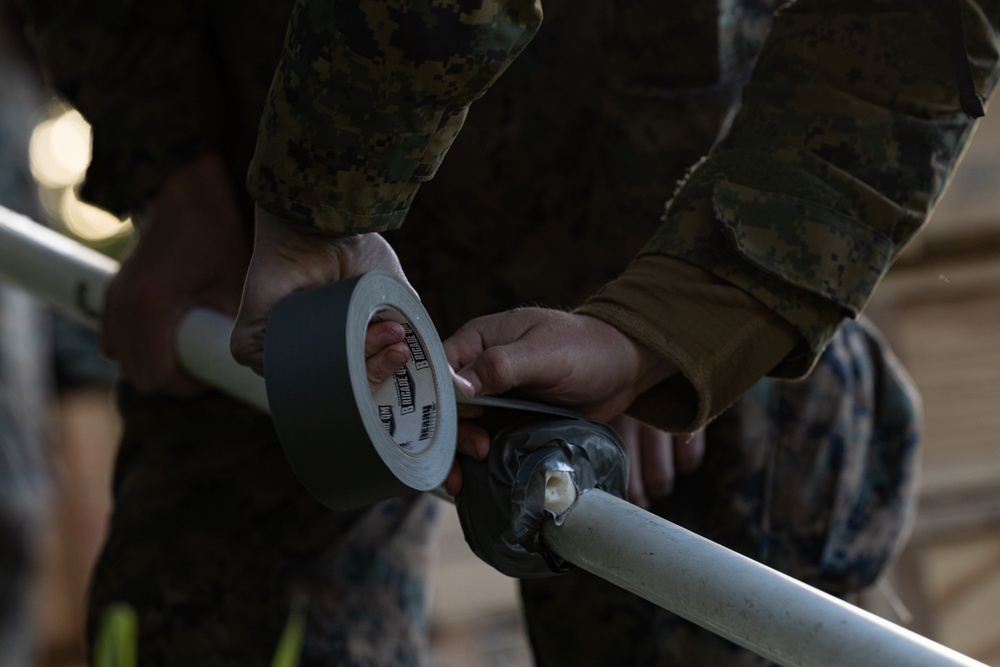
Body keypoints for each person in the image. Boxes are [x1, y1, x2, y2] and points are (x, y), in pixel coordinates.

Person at [17, 2, 995, 667]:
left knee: (721, 619)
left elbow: (915, 31)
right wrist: (174, 162)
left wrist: (689, 309)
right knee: (206, 626)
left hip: (681, 197)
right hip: (266, 240)